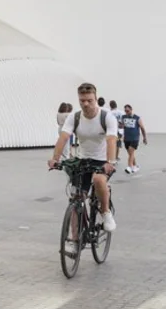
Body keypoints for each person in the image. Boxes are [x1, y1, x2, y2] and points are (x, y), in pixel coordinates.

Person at [49, 84, 117, 233]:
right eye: (82, 101)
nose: (86, 104)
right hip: (82, 159)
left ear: (96, 99)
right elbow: (64, 137)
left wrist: (110, 162)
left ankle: (106, 213)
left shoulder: (106, 117)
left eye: (89, 100)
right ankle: (74, 240)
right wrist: (55, 158)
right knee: (76, 199)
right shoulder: (75, 117)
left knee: (99, 180)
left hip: (103, 160)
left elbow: (111, 140)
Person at [120, 105, 147, 174]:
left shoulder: (137, 118)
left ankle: (129, 167)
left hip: (135, 138)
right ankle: (135, 166)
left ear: (131, 110)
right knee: (130, 154)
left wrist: (144, 138)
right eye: (125, 111)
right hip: (126, 139)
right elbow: (122, 127)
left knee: (131, 151)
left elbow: (142, 128)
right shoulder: (123, 117)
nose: (127, 112)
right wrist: (121, 136)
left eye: (128, 111)